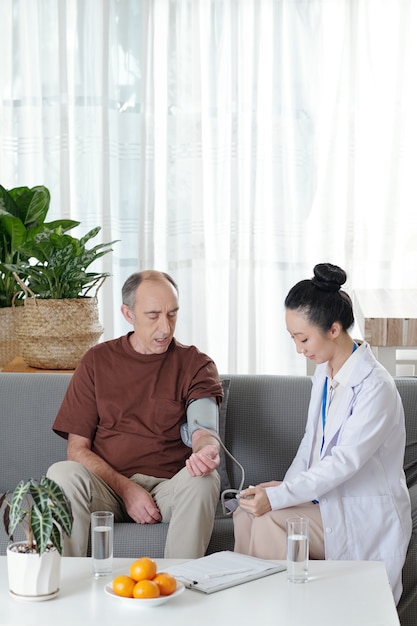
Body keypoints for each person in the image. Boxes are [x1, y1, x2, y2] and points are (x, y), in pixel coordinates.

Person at [233, 263, 411, 604]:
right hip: (328, 501)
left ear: (333, 329)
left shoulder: (376, 388)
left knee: (272, 522)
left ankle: (274, 611)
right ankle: (250, 607)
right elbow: (310, 445)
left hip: (361, 515)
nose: (299, 348)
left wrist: (281, 498)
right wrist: (282, 490)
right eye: (293, 339)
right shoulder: (326, 372)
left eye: (303, 338)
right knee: (245, 511)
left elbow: (343, 462)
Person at [47, 270, 223, 559]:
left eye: (172, 314)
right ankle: (65, 588)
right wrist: (127, 490)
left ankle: (179, 586)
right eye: (153, 315)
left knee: (205, 480)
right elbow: (76, 450)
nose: (165, 328)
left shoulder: (195, 364)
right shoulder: (96, 361)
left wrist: (207, 450)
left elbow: (203, 429)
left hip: (169, 488)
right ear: (128, 314)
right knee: (62, 473)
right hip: (107, 488)